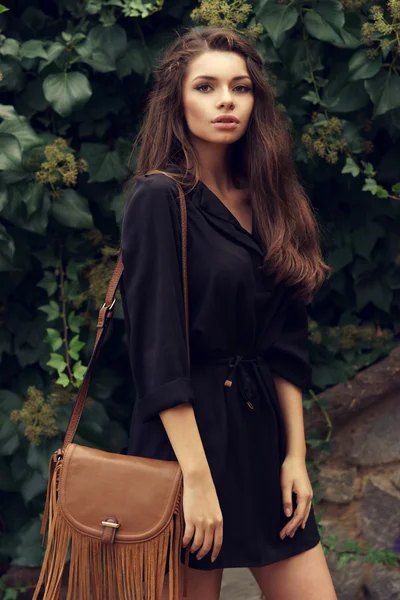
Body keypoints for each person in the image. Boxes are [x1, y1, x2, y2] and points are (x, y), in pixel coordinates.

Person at [120, 25, 336, 600]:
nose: (225, 101)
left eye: (239, 88)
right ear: (178, 100)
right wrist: (195, 479)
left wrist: (296, 456)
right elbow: (158, 354)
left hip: (260, 431)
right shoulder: (159, 198)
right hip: (186, 443)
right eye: (206, 87)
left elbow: (287, 343)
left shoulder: (271, 198)